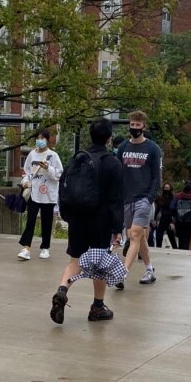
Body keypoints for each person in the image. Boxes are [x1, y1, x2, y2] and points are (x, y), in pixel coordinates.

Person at [50, 118, 125, 324]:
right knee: (100, 264)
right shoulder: (113, 163)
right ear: (109, 139)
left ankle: (62, 290)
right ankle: (97, 307)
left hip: (77, 218)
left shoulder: (78, 159)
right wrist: (117, 228)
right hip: (100, 220)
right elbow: (116, 199)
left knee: (75, 261)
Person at [115, 111, 162, 288]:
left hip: (144, 198)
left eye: (137, 125)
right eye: (132, 125)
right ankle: (149, 269)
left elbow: (157, 177)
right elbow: (117, 173)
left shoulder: (152, 148)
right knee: (139, 236)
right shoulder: (123, 148)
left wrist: (150, 198)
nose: (134, 128)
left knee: (134, 235)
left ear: (144, 126)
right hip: (127, 198)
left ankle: (122, 274)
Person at [17, 129, 63, 260]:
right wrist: (25, 181)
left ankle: (45, 247)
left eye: (42, 138)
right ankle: (26, 248)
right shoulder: (32, 154)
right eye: (38, 138)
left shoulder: (53, 156)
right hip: (34, 192)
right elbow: (27, 172)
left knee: (46, 221)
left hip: (49, 193)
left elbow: (59, 174)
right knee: (30, 220)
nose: (40, 141)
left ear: (47, 140)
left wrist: (48, 168)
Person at [171, 181, 191, 251]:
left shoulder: (177, 196)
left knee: (180, 239)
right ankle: (185, 253)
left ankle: (180, 252)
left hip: (179, 222)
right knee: (187, 240)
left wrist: (176, 216)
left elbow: (171, 207)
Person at [153, 182, 178, 249]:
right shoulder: (160, 198)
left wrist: (173, 222)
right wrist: (154, 219)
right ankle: (158, 249)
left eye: (168, 188)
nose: (166, 190)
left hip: (170, 219)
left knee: (172, 238)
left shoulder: (173, 198)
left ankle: (175, 250)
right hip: (162, 219)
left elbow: (175, 212)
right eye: (165, 188)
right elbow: (157, 209)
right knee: (159, 237)